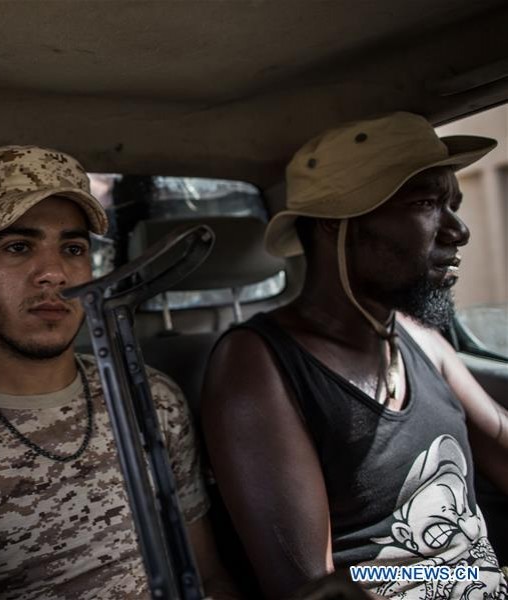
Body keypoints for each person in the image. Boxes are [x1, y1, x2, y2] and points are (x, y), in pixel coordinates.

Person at [0, 145, 231, 599]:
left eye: (72, 248)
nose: (53, 273)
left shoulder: (151, 398)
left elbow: (209, 577)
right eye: (18, 246)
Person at [202, 112, 508, 598]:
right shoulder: (257, 365)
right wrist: (457, 573)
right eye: (427, 203)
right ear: (334, 223)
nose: (458, 230)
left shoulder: (418, 336)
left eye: (453, 204)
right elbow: (312, 590)